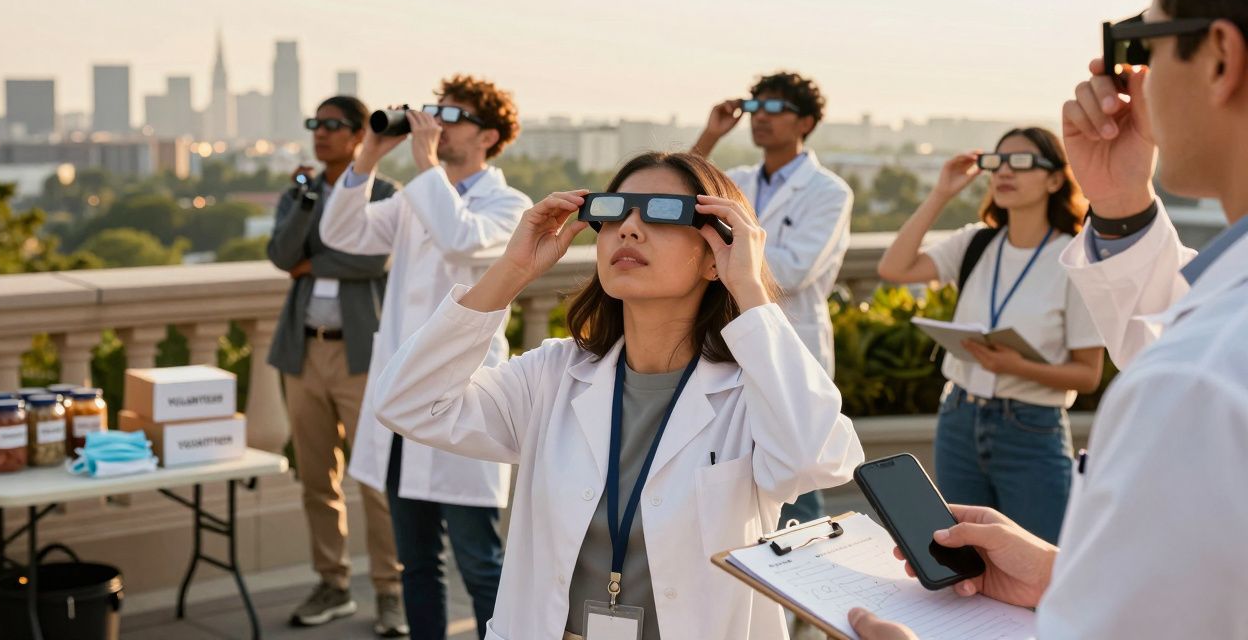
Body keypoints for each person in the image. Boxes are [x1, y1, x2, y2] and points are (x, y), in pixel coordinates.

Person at [850, 0, 1248, 637]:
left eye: (1143, 42)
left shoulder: (1205, 380)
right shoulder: (1212, 344)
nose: (1131, 79)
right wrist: (1123, 203)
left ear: (1220, 59)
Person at [370, 152, 864, 640]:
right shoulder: (554, 376)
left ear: (718, 255)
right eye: (613, 211)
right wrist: (511, 271)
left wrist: (751, 289)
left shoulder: (752, 393)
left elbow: (813, 460)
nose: (629, 228)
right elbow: (409, 403)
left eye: (662, 212)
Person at [320, 75, 529, 639]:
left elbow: (462, 241)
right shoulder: (418, 198)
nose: (437, 124)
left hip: (465, 401)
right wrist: (368, 155)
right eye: (435, 114)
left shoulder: (509, 205)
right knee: (415, 563)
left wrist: (423, 162)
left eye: (452, 117)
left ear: (488, 135)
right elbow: (342, 232)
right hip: (405, 404)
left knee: (480, 564)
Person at [876, 127, 1104, 543]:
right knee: (961, 555)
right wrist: (941, 193)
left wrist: (1017, 366)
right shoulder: (976, 242)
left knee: (1039, 562)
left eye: (1021, 162)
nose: (1004, 172)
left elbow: (1087, 375)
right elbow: (894, 268)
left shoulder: (1076, 259)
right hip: (959, 420)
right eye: (997, 162)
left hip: (1031, 430)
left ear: (1055, 179)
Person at [266, 95, 407, 634]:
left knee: (373, 478)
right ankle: (333, 582)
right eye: (315, 124)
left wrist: (312, 262)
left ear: (359, 135)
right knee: (315, 477)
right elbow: (281, 256)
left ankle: (390, 590)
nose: (320, 133)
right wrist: (305, 204)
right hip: (302, 351)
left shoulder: (388, 194)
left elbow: (371, 258)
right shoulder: (297, 192)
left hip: (360, 353)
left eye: (333, 125)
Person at [691, 71, 853, 529]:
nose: (761, 116)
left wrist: (729, 248)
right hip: (723, 342)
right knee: (734, 479)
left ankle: (809, 599)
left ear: (805, 122)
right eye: (756, 106)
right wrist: (710, 136)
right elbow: (671, 197)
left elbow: (796, 269)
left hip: (789, 343)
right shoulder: (736, 179)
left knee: (795, 487)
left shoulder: (829, 191)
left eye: (776, 108)